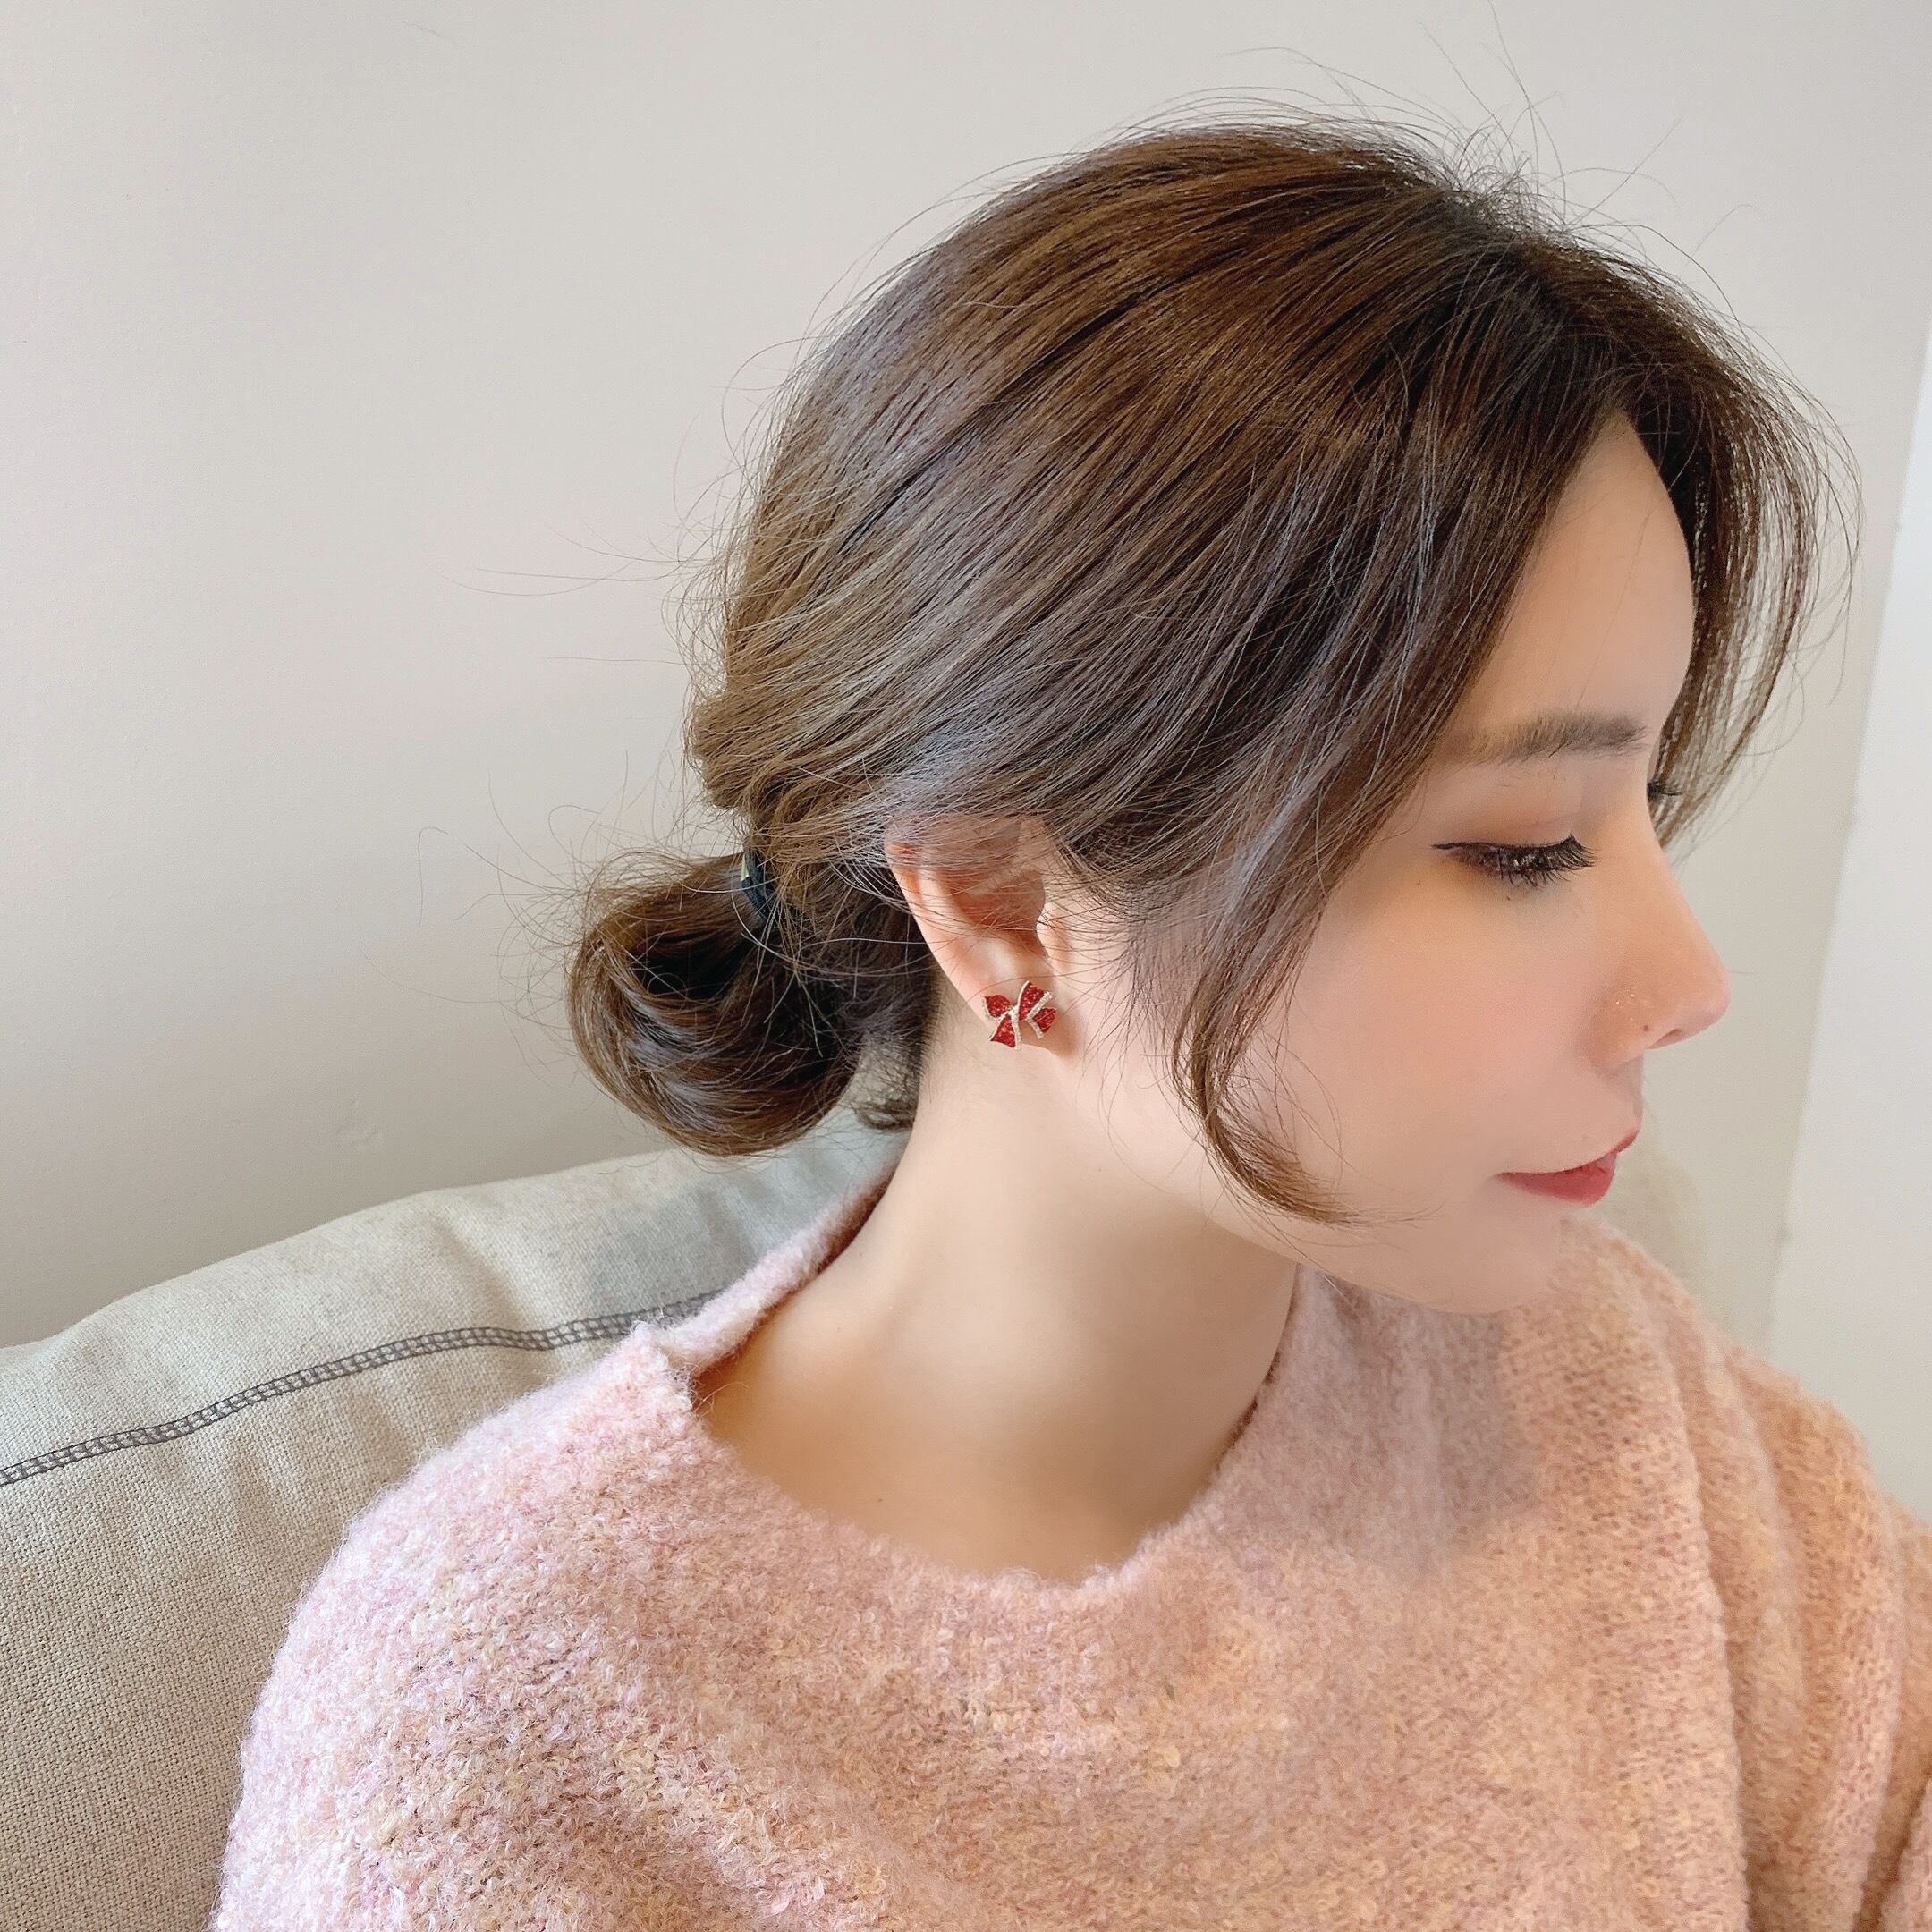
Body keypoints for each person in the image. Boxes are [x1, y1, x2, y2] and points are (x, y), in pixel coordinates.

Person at [211, 111, 1930, 1930]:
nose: (1689, 984)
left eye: (1646, 803)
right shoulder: (513, 1736)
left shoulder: (1592, 1385)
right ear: (1001, 902)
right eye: (1523, 844)